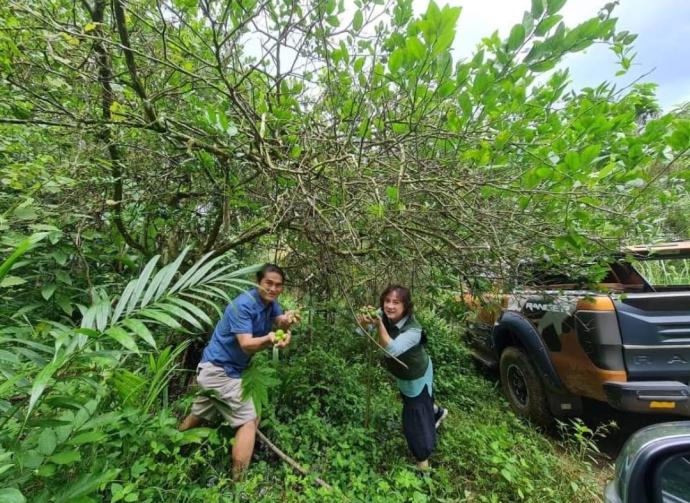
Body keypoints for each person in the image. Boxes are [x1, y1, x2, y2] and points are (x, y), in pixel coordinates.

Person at [179, 263, 299, 477]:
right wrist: (270, 339)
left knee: (200, 414)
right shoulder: (243, 305)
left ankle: (172, 449)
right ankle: (238, 484)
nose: (273, 289)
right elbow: (246, 344)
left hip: (222, 370)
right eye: (268, 283)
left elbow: (279, 323)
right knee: (249, 419)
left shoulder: (271, 304)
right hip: (219, 371)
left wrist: (287, 324)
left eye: (278, 285)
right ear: (258, 282)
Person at [358, 285, 448, 470]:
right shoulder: (381, 314)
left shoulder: (413, 330)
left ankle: (423, 467)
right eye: (387, 301)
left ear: (405, 306)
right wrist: (363, 323)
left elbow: (392, 350)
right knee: (419, 403)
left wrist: (379, 325)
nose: (390, 306)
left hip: (418, 375)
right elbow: (360, 332)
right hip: (403, 375)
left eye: (396, 302)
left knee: (414, 421)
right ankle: (437, 412)